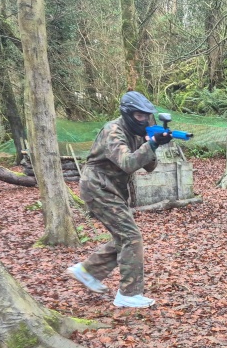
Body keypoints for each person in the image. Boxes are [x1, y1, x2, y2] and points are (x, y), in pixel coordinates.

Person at [66, 91, 172, 308]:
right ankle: (129, 294)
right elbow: (128, 163)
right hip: (98, 187)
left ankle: (87, 271)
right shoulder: (113, 131)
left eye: (147, 116)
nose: (144, 120)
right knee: (131, 236)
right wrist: (151, 144)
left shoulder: (138, 133)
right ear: (128, 114)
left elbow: (149, 167)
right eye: (139, 116)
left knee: (123, 237)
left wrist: (153, 143)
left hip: (113, 189)